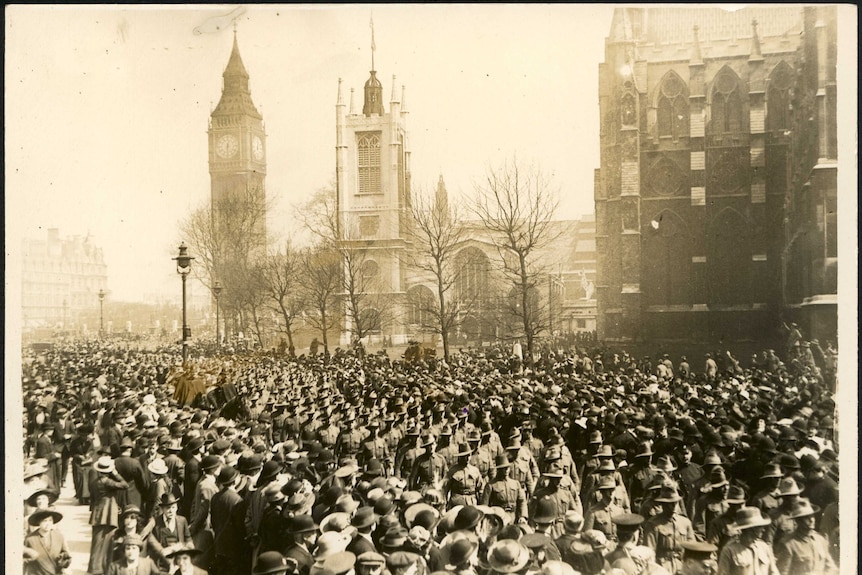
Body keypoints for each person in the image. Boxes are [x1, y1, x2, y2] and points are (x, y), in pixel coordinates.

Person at [89, 455, 130, 575]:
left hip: (98, 511)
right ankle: (105, 568)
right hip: (108, 513)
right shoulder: (108, 481)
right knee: (108, 541)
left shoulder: (95, 482)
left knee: (97, 542)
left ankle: (95, 567)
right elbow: (125, 485)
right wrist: (115, 473)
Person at [774, 499, 838, 575]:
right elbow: (783, 572)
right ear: (798, 521)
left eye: (812, 516)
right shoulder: (788, 544)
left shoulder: (820, 540)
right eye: (806, 517)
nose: (811, 520)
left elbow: (831, 567)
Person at [717, 507, 779, 575]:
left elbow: (774, 572)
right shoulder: (729, 550)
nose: (763, 530)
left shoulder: (764, 547)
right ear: (751, 529)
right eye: (760, 527)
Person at [147, 493, 192, 572]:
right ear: (163, 509)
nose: (171, 511)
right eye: (168, 508)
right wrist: (163, 551)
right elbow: (152, 543)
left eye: (173, 507)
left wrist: (186, 548)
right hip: (162, 562)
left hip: (179, 560)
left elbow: (188, 540)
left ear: (177, 507)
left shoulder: (182, 520)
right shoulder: (156, 523)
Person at [23, 508, 71, 575]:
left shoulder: (59, 536)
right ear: (38, 522)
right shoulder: (30, 539)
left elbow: (66, 554)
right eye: (44, 521)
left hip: (56, 572)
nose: (47, 524)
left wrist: (64, 560)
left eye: (50, 520)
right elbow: (24, 561)